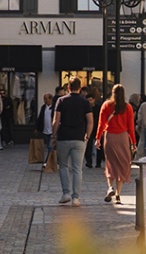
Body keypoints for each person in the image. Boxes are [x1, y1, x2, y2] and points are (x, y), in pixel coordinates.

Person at [52, 78, 93, 206]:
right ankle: (76, 198)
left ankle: (66, 193)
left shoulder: (61, 100)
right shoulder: (85, 102)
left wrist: (53, 135)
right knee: (77, 169)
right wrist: (87, 136)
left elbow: (56, 120)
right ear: (80, 88)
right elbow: (90, 121)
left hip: (64, 137)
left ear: (68, 87)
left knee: (63, 166)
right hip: (79, 137)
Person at [98, 85, 137, 203]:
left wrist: (97, 138)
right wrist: (133, 142)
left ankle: (110, 187)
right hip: (123, 138)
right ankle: (118, 195)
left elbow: (101, 123)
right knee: (122, 164)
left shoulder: (106, 105)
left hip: (110, 136)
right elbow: (131, 126)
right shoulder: (128, 107)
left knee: (110, 163)